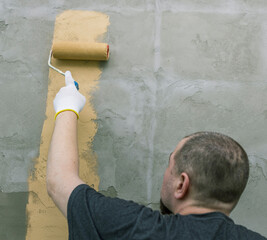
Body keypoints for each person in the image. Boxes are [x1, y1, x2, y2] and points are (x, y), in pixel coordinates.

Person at [46, 71, 266, 239]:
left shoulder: (138, 228)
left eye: (170, 164)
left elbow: (60, 181)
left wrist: (67, 106)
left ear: (182, 184)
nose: (166, 172)